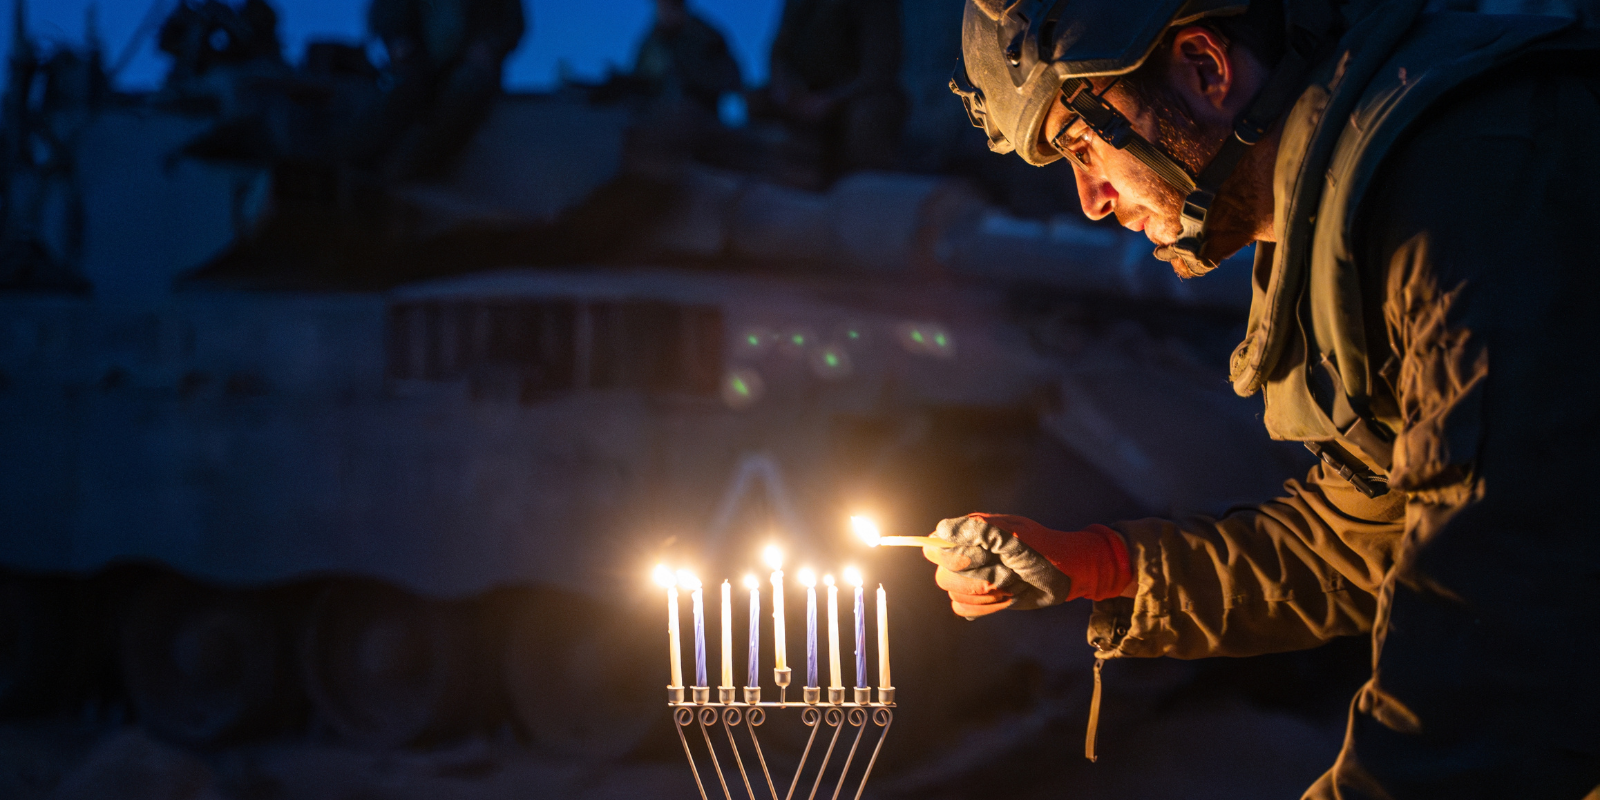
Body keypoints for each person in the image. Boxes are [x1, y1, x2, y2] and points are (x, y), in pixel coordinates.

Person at [933, 1, 1600, 797]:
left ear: (1207, 69)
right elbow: (1363, 540)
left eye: (1084, 143)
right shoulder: (1371, 202)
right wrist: (1099, 565)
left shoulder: (1474, 185)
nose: (1091, 199)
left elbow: (1486, 652)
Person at [350, 0, 526, 180]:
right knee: (399, 94)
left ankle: (412, 170)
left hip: (468, 71)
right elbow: (387, 12)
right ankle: (353, 160)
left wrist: (490, 46)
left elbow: (513, 23)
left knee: (466, 89)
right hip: (420, 63)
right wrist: (397, 40)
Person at [761, 0, 906, 180]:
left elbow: (879, 69)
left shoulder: (874, 6)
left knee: (867, 117)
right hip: (805, 91)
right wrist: (784, 89)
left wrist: (830, 100)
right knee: (755, 101)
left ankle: (865, 187)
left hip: (856, 95)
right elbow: (780, 52)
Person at [631, 0, 741, 115]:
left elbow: (731, 79)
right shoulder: (650, 43)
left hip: (699, 119)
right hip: (657, 121)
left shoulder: (705, 36)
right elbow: (640, 83)